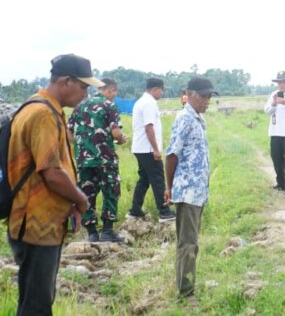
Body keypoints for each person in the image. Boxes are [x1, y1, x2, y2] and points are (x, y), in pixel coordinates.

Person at [6, 54, 97, 315]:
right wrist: (80, 199)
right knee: (37, 304)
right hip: (36, 225)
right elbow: (51, 172)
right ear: (66, 81)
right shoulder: (43, 114)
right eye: (83, 86)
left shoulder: (39, 107)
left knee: (34, 298)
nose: (85, 94)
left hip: (38, 220)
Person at [164, 77, 216, 303]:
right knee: (188, 243)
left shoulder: (198, 119)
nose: (206, 101)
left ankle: (187, 285)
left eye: (209, 97)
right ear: (190, 94)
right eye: (203, 96)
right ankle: (186, 293)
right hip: (187, 191)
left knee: (192, 241)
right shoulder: (184, 119)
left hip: (197, 191)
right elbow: (171, 155)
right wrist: (169, 187)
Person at [67, 78, 127, 243]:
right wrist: (122, 139)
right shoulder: (109, 105)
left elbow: (69, 133)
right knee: (111, 191)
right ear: (111, 90)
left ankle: (92, 233)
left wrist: (82, 146)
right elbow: (116, 133)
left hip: (83, 160)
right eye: (114, 93)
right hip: (105, 159)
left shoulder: (79, 106)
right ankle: (107, 231)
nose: (114, 96)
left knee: (86, 194)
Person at [130, 78, 175, 222]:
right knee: (158, 179)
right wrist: (156, 149)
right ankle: (164, 211)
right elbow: (149, 127)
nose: (162, 93)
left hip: (140, 147)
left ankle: (135, 210)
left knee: (144, 179)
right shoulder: (149, 103)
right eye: (162, 90)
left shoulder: (140, 101)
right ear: (155, 89)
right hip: (148, 149)